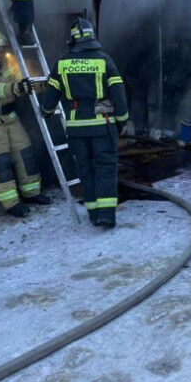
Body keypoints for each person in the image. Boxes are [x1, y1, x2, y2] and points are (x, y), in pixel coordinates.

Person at [41, 18, 129, 228]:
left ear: (72, 40)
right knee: (105, 169)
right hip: (102, 127)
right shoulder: (104, 60)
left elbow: (48, 103)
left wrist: (46, 112)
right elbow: (118, 96)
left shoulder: (62, 63)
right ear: (92, 37)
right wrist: (122, 121)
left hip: (76, 131)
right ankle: (107, 214)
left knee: (86, 170)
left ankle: (93, 214)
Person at [0, 29, 51, 217]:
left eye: (0, 49)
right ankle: (11, 203)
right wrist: (16, 87)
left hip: (9, 117)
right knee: (0, 162)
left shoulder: (7, 65)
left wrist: (45, 83)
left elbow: (25, 81)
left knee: (25, 154)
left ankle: (31, 193)